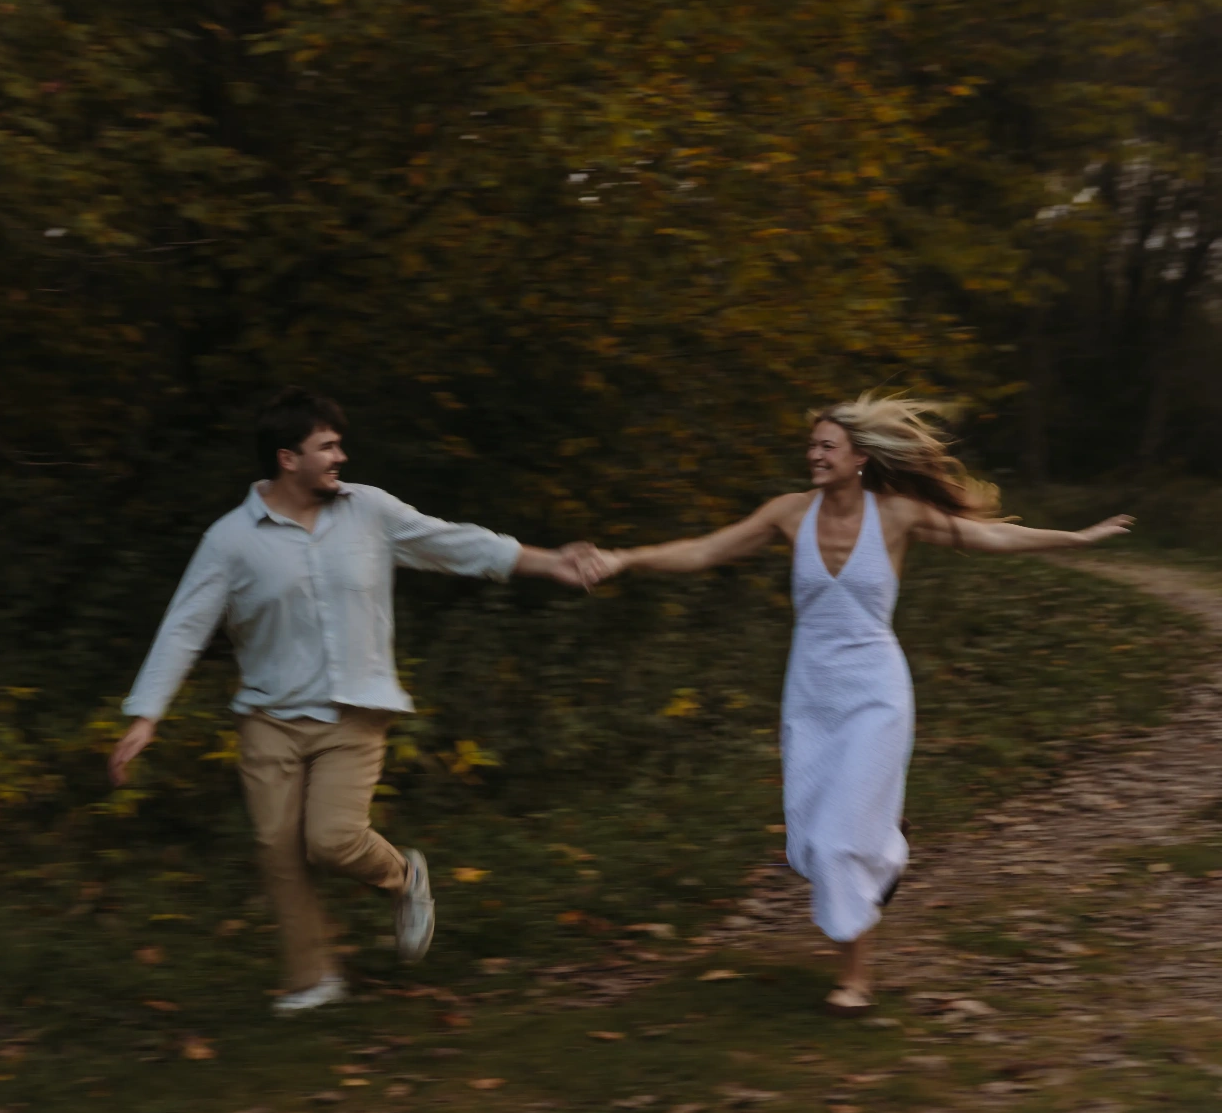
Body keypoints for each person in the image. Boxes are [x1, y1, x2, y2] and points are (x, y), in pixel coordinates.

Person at [591, 394, 1132, 1013]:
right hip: (812, 692)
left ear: (859, 459)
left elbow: (988, 539)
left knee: (844, 839)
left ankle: (855, 979)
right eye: (812, 445)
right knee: (816, 841)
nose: (813, 454)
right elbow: (706, 550)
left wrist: (1075, 538)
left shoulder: (898, 515)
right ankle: (888, 851)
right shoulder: (789, 513)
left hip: (877, 689)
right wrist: (625, 558)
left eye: (827, 446)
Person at [109, 386, 600, 1015]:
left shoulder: (368, 511)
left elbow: (455, 543)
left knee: (333, 840)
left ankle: (404, 877)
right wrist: (146, 714)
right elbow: (185, 624)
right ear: (288, 459)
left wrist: (548, 561)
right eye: (327, 445)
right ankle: (314, 978)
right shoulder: (231, 541)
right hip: (268, 719)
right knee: (278, 850)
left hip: (353, 714)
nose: (341, 454)